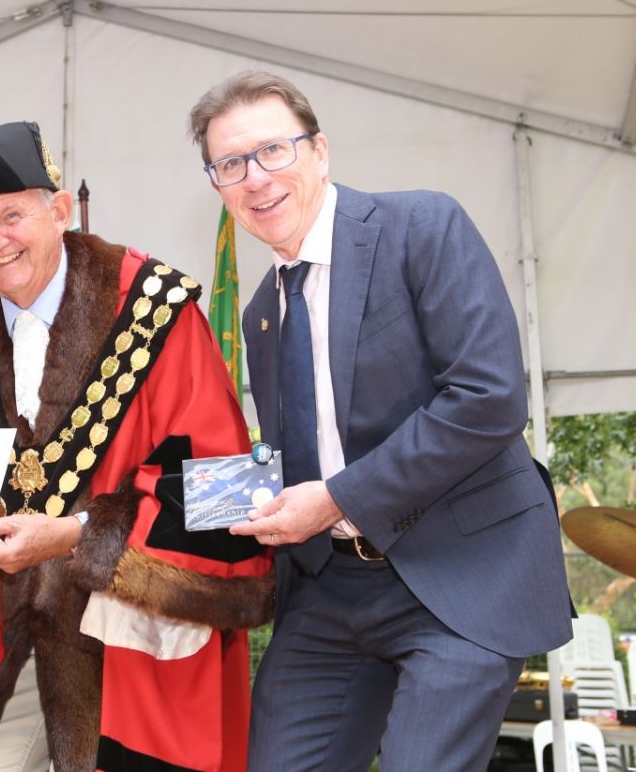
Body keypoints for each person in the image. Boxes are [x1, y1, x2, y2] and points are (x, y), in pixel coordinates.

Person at [187, 71, 574, 772]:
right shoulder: (261, 315)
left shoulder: (420, 226)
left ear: (320, 152)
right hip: (331, 590)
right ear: (216, 185)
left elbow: (487, 398)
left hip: (464, 574)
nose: (256, 178)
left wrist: (335, 499)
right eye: (230, 164)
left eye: (274, 150)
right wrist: (129, 512)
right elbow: (297, 460)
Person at [0, 120, 273, 772]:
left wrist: (77, 536)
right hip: (7, 637)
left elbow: (230, 487)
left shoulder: (157, 307)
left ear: (60, 210)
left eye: (11, 216)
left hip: (135, 640)